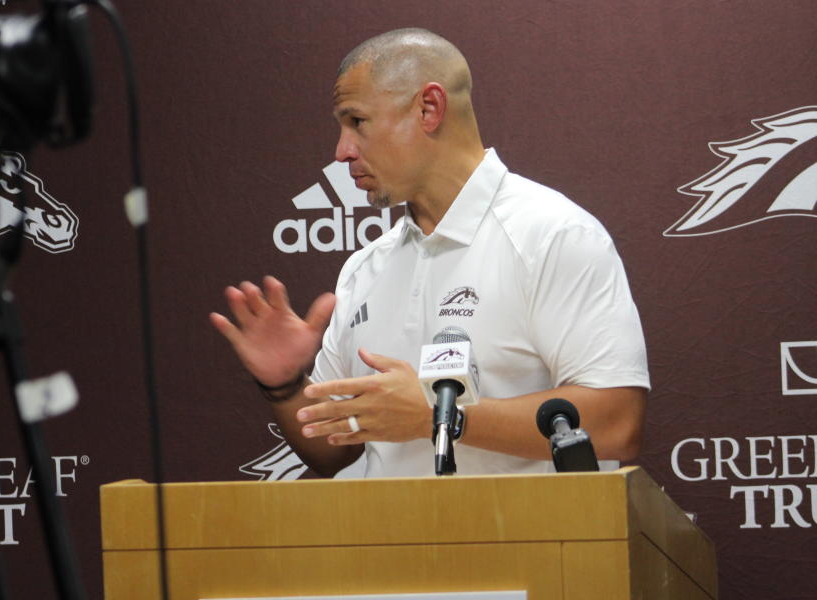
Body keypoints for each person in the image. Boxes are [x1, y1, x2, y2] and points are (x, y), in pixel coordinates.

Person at [210, 28, 649, 478]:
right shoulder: (365, 269)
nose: (342, 151)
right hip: (391, 547)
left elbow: (616, 420)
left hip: (533, 545)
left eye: (356, 121)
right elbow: (334, 450)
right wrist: (284, 387)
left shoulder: (553, 235)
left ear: (429, 108)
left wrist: (438, 419)